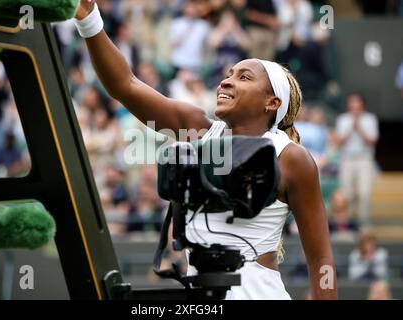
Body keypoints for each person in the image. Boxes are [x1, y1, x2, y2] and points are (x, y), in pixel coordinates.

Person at [72, 0, 337, 300]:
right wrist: (89, 17)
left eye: (244, 77)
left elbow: (321, 260)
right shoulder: (195, 128)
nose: (227, 81)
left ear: (272, 103)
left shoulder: (291, 158)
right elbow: (125, 85)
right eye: (229, 74)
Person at [334, 93, 379, 225]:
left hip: (364, 158)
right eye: (351, 102)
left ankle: (364, 224)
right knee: (347, 194)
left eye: (356, 102)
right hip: (347, 159)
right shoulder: (342, 119)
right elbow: (339, 141)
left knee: (365, 193)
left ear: (362, 104)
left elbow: (372, 141)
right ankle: (350, 224)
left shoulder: (370, 119)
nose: (354, 105)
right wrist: (351, 127)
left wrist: (359, 127)